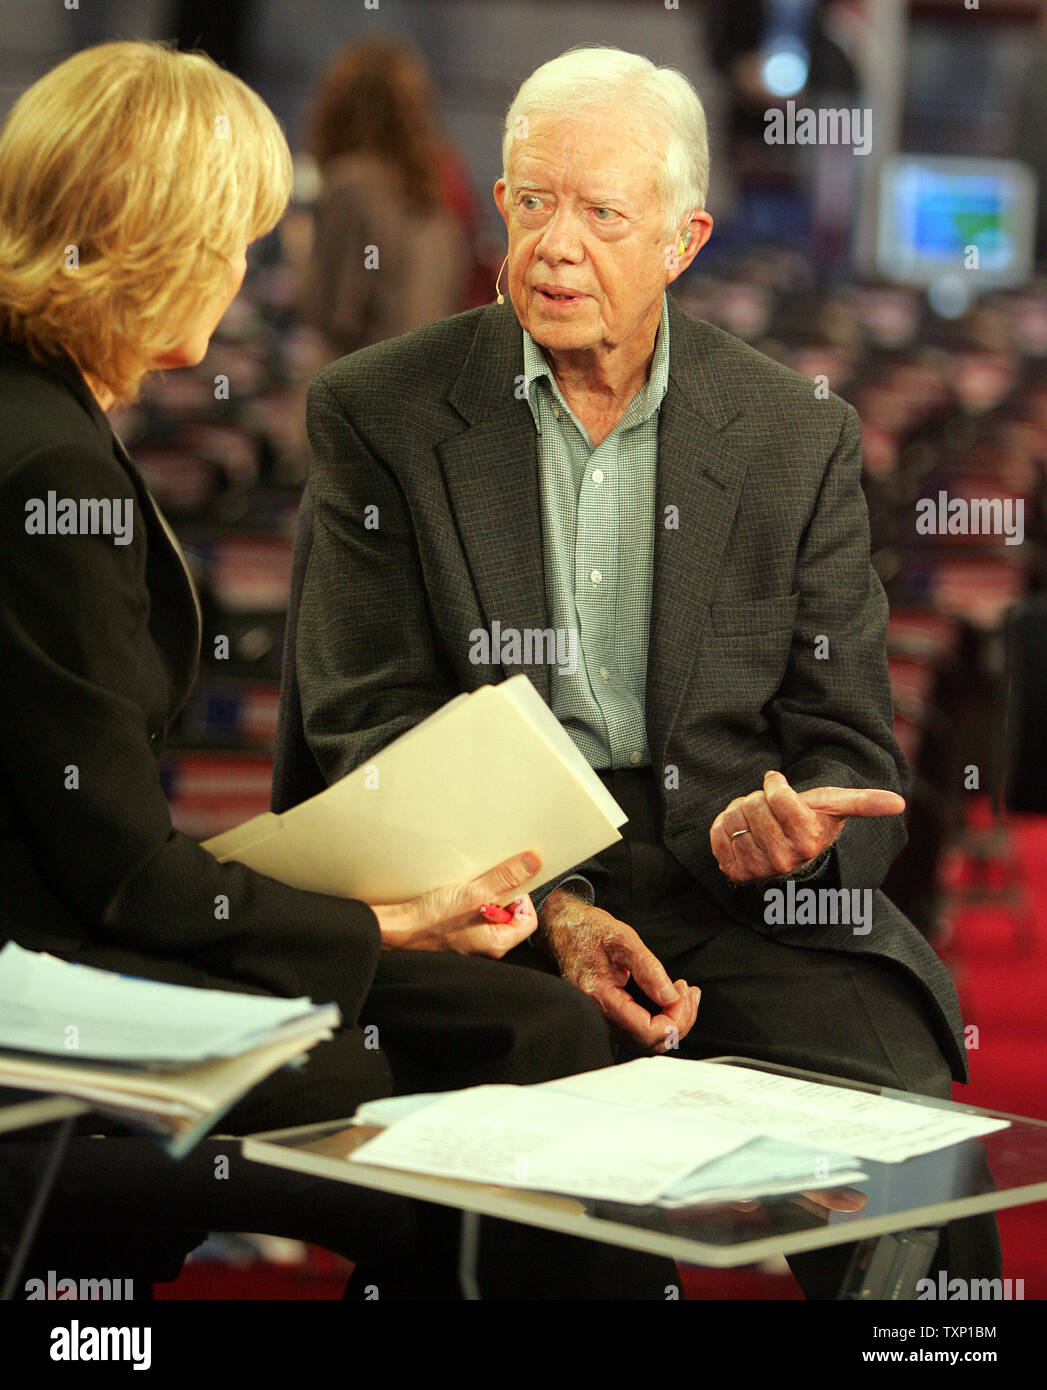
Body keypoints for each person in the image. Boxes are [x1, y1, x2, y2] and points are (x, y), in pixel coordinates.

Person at [292, 45, 1000, 1297]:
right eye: (528, 201)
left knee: (913, 1145)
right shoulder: (381, 413)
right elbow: (366, 723)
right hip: (498, 884)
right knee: (553, 1087)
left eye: (602, 213)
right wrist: (550, 904)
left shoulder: (795, 434)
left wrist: (796, 838)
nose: (553, 247)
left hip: (728, 887)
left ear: (683, 239)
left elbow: (851, 752)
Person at [0, 40, 677, 1300]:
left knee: (528, 1024)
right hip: (55, 984)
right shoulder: (47, 467)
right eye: (238, 238)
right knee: (511, 1044)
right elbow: (115, 877)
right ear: (163, 243)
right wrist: (385, 917)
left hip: (68, 930)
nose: (250, 265)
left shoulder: (38, 410)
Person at [301, 35, 470, 361]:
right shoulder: (437, 182)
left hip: (364, 383)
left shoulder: (350, 183)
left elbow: (333, 314)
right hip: (421, 380)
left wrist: (299, 256)